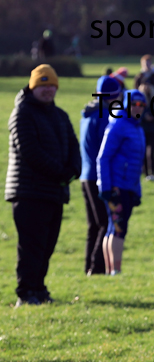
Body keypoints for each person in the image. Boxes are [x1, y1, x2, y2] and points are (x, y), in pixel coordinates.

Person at [6, 65, 81, 306]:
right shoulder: (22, 113)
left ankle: (39, 289)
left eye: (51, 85)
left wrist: (74, 169)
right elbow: (30, 151)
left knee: (47, 246)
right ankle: (26, 293)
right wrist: (61, 173)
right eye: (42, 85)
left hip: (54, 191)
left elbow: (73, 144)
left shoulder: (59, 115)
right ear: (32, 86)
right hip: (28, 192)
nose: (48, 90)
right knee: (31, 246)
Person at [97, 90, 145, 275]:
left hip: (128, 187)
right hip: (117, 187)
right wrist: (106, 187)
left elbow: (137, 162)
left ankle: (112, 270)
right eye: (134, 104)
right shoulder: (118, 125)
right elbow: (103, 157)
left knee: (114, 227)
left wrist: (137, 190)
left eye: (141, 105)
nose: (138, 108)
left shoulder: (137, 127)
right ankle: (115, 270)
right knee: (118, 228)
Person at [80, 75, 123, 276]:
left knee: (93, 225)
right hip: (99, 176)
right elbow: (105, 151)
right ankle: (96, 269)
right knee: (105, 223)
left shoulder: (87, 113)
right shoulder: (106, 116)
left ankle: (88, 266)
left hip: (85, 174)